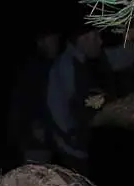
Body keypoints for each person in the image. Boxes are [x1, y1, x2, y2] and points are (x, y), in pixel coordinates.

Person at [45, 25, 108, 174]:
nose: (100, 41)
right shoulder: (66, 65)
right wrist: (72, 136)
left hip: (85, 147)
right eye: (95, 37)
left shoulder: (85, 62)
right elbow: (57, 106)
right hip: (74, 152)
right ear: (83, 39)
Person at [7, 28, 61, 166]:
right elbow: (29, 99)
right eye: (52, 39)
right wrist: (36, 125)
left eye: (56, 39)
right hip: (36, 137)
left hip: (51, 135)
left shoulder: (54, 65)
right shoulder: (35, 67)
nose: (56, 43)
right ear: (41, 42)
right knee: (37, 176)